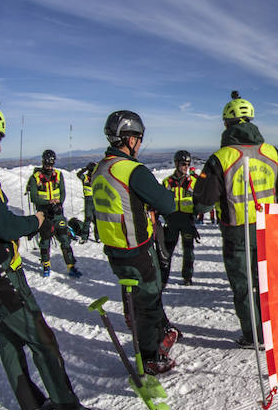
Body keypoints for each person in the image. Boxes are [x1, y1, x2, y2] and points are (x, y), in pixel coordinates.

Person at [0, 99, 105, 410]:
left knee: (8, 339)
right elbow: (4, 226)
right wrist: (37, 220)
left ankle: (31, 404)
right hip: (2, 277)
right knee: (43, 340)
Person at [192, 91, 278, 348]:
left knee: (244, 286)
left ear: (227, 125)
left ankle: (254, 336)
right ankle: (273, 330)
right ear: (251, 121)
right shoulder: (271, 152)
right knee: (266, 281)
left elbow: (203, 202)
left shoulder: (221, 158)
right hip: (267, 228)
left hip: (237, 233)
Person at [92, 110, 181, 375]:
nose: (140, 144)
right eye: (139, 138)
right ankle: (151, 356)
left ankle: (153, 331)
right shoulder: (132, 170)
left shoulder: (101, 169)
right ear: (129, 138)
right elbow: (166, 203)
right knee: (149, 301)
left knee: (136, 297)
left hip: (115, 248)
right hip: (137, 249)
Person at [27, 149, 81, 278]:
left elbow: (62, 192)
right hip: (44, 214)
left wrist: (58, 203)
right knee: (45, 241)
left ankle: (71, 266)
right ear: (43, 162)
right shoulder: (35, 178)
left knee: (64, 238)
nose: (49, 167)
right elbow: (34, 197)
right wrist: (48, 203)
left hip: (57, 212)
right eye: (47, 164)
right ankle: (46, 265)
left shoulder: (58, 175)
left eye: (51, 164)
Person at [160, 150, 198, 288]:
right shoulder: (167, 182)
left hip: (187, 220)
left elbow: (200, 200)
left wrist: (197, 213)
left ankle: (187, 276)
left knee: (188, 251)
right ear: (176, 164)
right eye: (183, 164)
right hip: (172, 221)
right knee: (166, 252)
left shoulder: (193, 182)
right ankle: (163, 279)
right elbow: (160, 201)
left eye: (188, 164)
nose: (185, 167)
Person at [75, 162, 98, 243]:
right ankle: (85, 237)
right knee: (88, 219)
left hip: (95, 200)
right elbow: (78, 174)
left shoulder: (96, 178)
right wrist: (85, 168)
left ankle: (98, 237)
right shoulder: (85, 177)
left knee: (96, 219)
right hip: (88, 200)